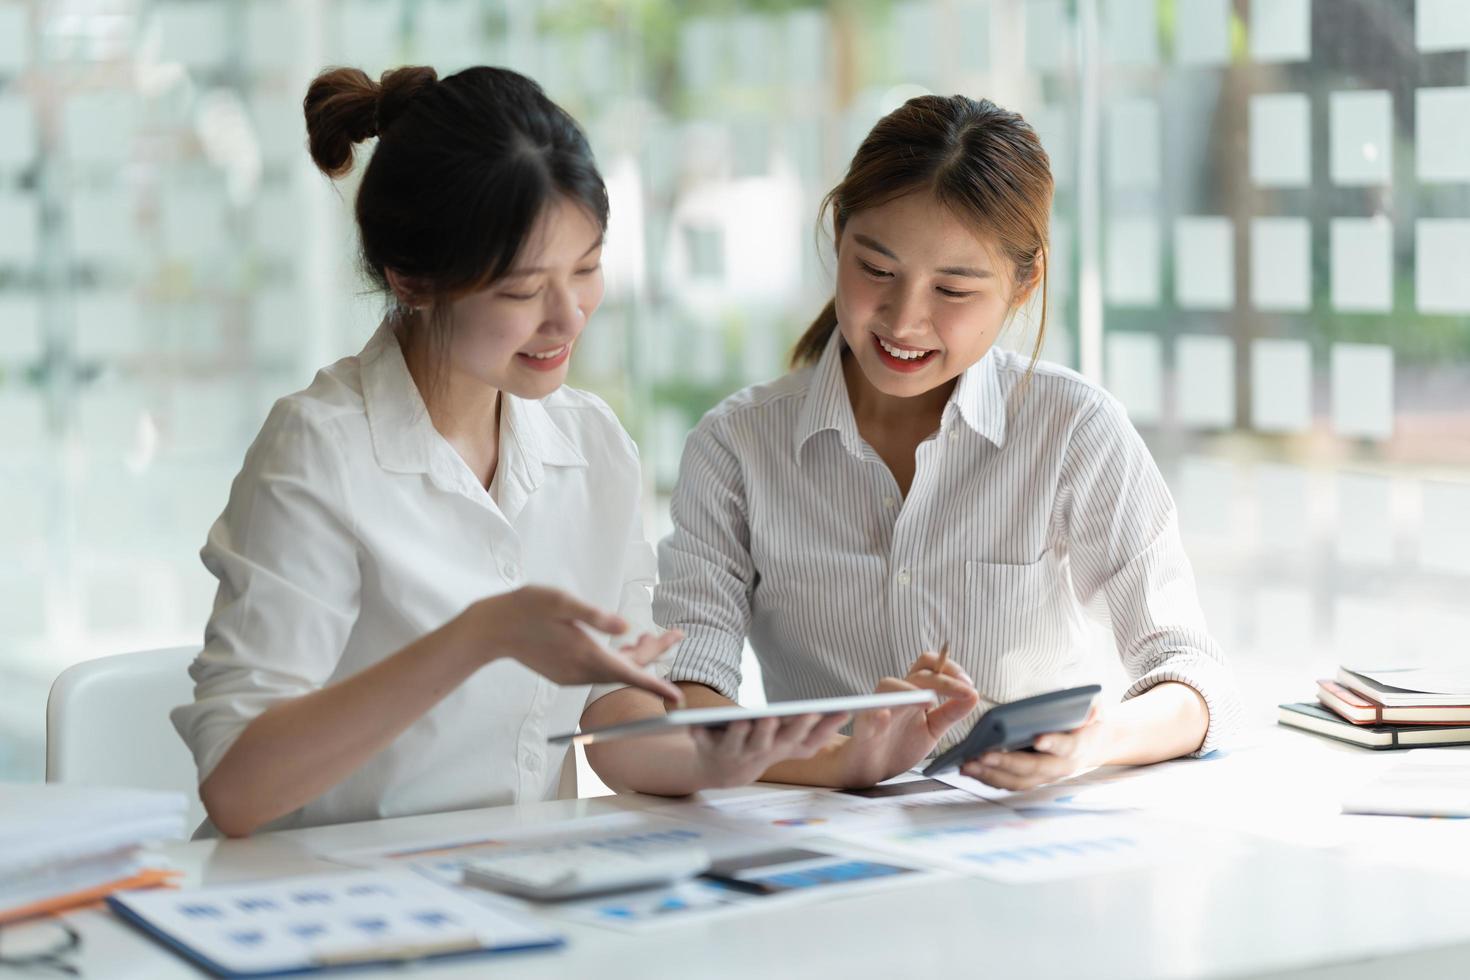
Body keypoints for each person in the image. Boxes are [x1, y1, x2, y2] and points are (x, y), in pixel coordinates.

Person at [171, 64, 841, 838]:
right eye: (523, 291)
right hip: (327, 908)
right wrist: (479, 638)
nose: (567, 318)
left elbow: (616, 718)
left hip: (520, 894)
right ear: (412, 279)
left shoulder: (591, 445)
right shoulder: (318, 450)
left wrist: (722, 757)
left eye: (586, 270)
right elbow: (237, 790)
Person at [585, 95, 1239, 795]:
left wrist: (1094, 740)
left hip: (1020, 842)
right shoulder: (737, 447)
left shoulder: (1074, 430)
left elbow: (1189, 678)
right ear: (839, 237)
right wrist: (843, 763)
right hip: (823, 842)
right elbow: (693, 698)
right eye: (876, 271)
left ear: (1023, 287)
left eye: (953, 289)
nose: (905, 319)